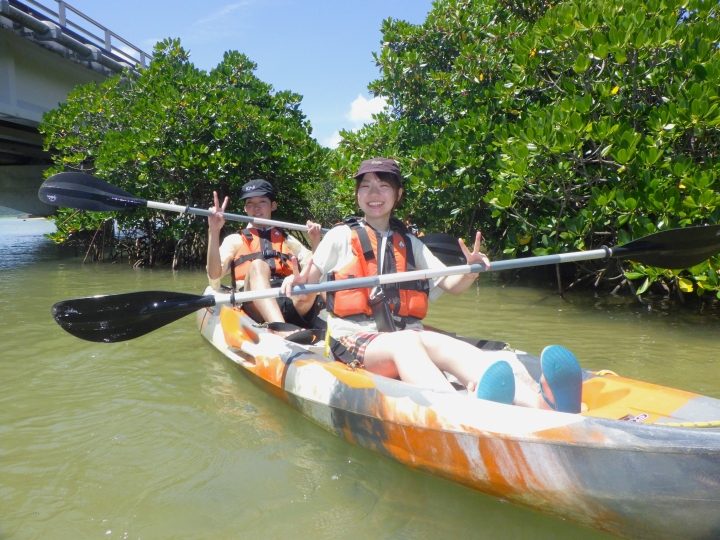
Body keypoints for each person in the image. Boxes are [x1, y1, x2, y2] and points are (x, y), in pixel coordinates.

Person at [281, 158, 582, 412]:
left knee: (448, 346)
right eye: (366, 186)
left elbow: (451, 284)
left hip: (402, 339)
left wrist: (471, 269)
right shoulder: (338, 237)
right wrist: (296, 284)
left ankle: (539, 405)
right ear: (357, 195)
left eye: (383, 185)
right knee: (408, 340)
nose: (374, 193)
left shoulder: (410, 244)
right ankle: (456, 409)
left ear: (397, 195)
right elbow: (305, 291)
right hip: (352, 343)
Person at [207, 178, 322, 329]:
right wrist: (214, 231)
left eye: (262, 201)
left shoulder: (288, 240)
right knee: (258, 266)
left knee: (311, 276)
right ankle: (282, 329)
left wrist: (315, 243)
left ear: (273, 206)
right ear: (245, 208)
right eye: (250, 203)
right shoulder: (235, 240)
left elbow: (316, 272)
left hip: (290, 299)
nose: (256, 207)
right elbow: (214, 276)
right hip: (253, 304)